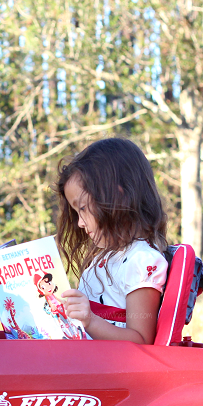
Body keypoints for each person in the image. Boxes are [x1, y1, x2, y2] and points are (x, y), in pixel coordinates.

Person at [53, 138, 168, 345]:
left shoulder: (141, 261)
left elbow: (141, 341)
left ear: (117, 195)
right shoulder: (106, 258)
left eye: (83, 208)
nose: (79, 223)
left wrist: (89, 320)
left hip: (113, 372)